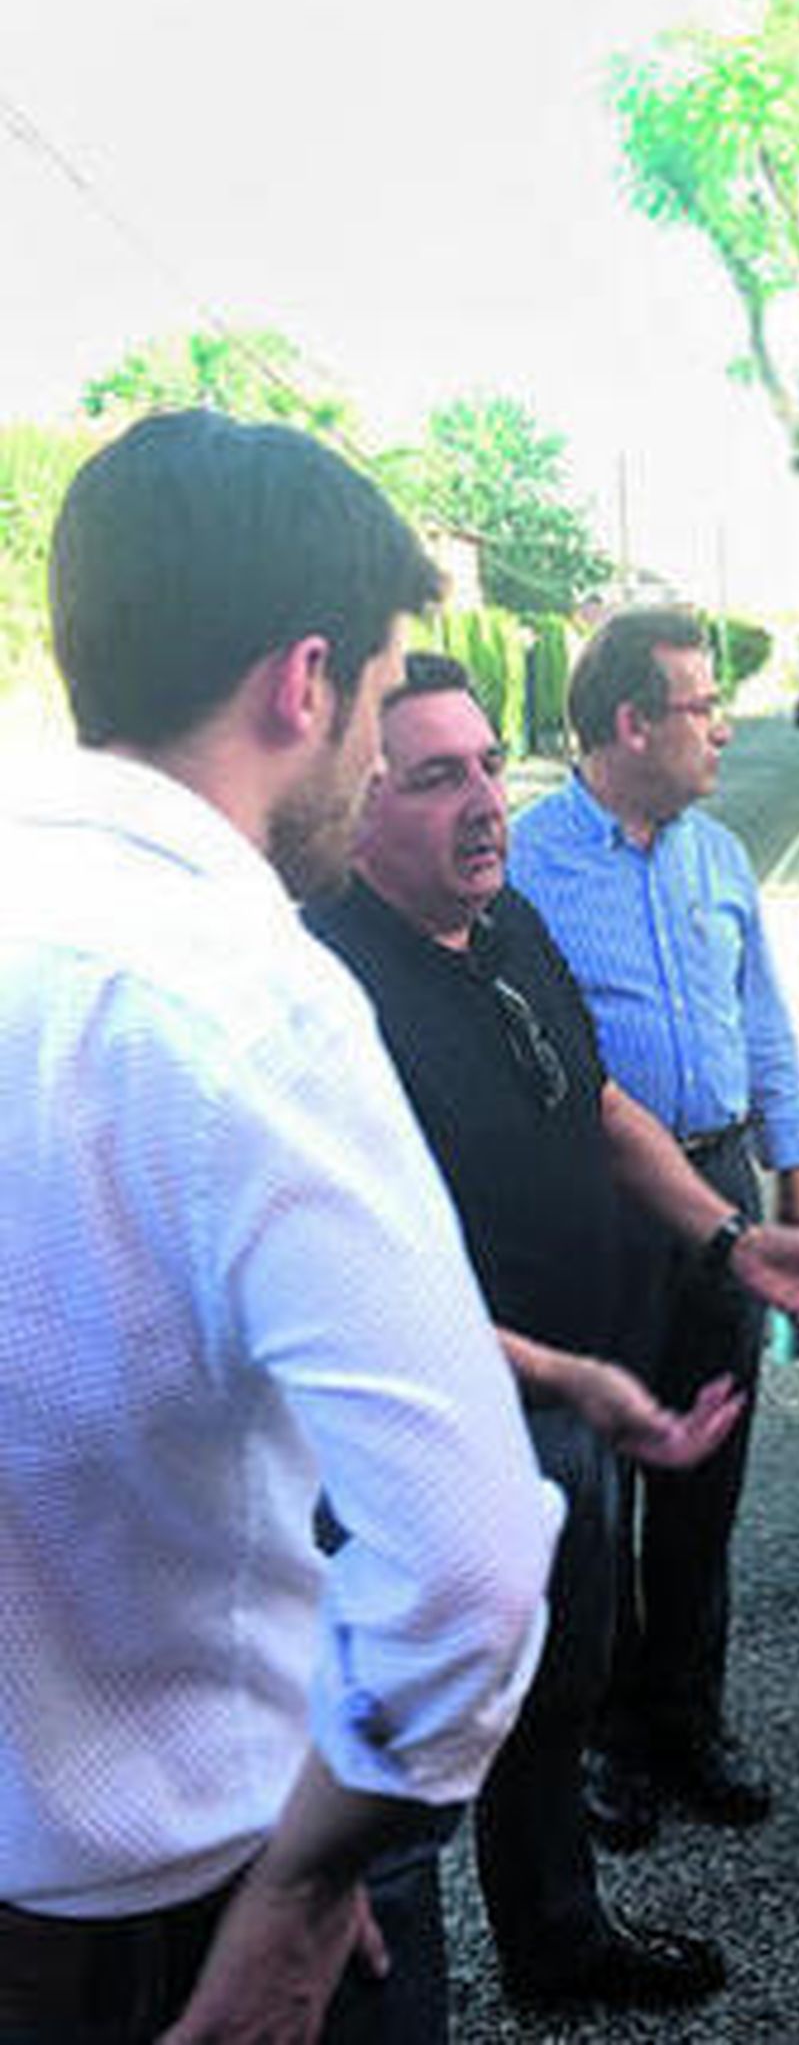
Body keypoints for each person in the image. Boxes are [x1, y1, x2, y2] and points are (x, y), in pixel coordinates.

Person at [0, 410, 561, 2043]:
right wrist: (307, 1891)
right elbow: (466, 1564)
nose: (382, 758)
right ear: (302, 683)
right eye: (386, 704)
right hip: (186, 1907)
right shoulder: (248, 998)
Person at [309, 652, 799, 2014]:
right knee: (406, 1769)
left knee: (561, 1682)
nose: (484, 802)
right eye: (434, 778)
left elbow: (601, 1103)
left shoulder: (505, 925)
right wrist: (568, 1379)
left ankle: (556, 1937)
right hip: (437, 1429)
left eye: (488, 765)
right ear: (357, 803)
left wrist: (729, 1236)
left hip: (567, 1392)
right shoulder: (326, 983)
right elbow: (361, 1288)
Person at [507, 606, 799, 1848]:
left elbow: (766, 1019)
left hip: (722, 1192)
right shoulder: (529, 864)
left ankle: (689, 1718)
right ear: (631, 723)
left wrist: (795, 1177)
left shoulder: (718, 857)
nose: (725, 729)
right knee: (599, 1488)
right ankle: (605, 1738)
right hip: (596, 1212)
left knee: (706, 1477)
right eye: (704, 707)